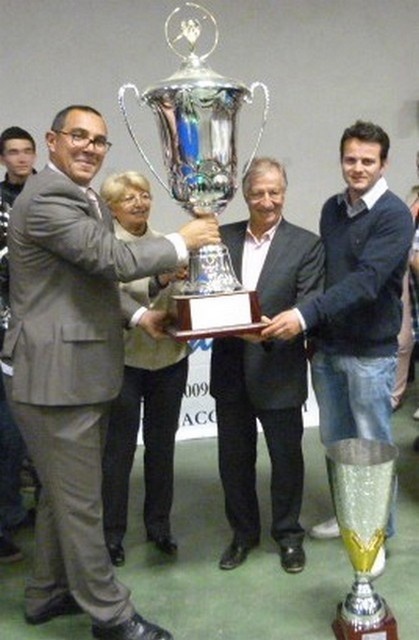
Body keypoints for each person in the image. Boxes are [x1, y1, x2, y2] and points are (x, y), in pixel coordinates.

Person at [1, 104, 220, 640]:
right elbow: (112, 261)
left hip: (76, 374)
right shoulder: (51, 197)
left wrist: (142, 315)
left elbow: (90, 282)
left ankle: (48, 593)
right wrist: (181, 240)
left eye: (99, 141)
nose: (90, 148)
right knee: (81, 503)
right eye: (79, 136)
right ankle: (112, 616)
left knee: (61, 494)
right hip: (57, 380)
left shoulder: (83, 198)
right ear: (51, 141)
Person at [260, 121, 413, 576]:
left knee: (372, 446)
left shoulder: (394, 216)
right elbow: (327, 275)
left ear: (383, 164)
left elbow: (366, 283)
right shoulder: (332, 208)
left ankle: (376, 533)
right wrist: (312, 330)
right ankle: (349, 517)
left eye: (368, 161)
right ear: (341, 159)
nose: (358, 168)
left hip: (370, 353)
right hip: (328, 349)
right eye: (351, 159)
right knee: (336, 443)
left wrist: (304, 316)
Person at [210, 157, 325, 574]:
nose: (267, 200)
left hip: (279, 369)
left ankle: (288, 535)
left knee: (286, 459)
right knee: (233, 460)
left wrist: (274, 329)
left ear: (285, 192)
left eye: (274, 191)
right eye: (258, 192)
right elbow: (208, 301)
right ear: (245, 195)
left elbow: (309, 301)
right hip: (230, 370)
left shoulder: (307, 245)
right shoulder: (220, 239)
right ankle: (242, 535)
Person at [100, 171, 189, 566]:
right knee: (118, 453)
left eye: (144, 195)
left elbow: (180, 297)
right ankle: (111, 535)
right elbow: (112, 299)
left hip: (169, 361)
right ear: (111, 208)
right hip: (124, 362)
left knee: (161, 448)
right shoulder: (105, 248)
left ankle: (159, 527)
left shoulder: (167, 243)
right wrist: (158, 281)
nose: (138, 203)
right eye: (128, 198)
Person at [0, 126, 38, 558]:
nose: (21, 158)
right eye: (13, 152)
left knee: (26, 433)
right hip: (5, 331)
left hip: (37, 331)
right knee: (6, 433)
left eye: (27, 151)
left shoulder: (48, 197)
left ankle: (17, 512)